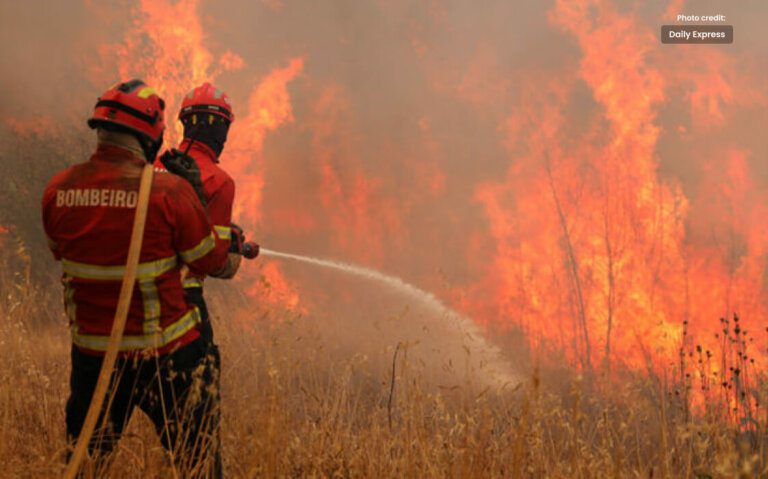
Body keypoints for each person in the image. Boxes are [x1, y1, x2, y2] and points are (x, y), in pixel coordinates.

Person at [42, 79, 227, 477]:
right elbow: (209, 261)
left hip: (94, 358)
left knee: (87, 463)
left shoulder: (57, 190)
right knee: (196, 464)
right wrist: (194, 191)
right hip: (168, 357)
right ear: (151, 138)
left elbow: (65, 251)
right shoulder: (168, 194)